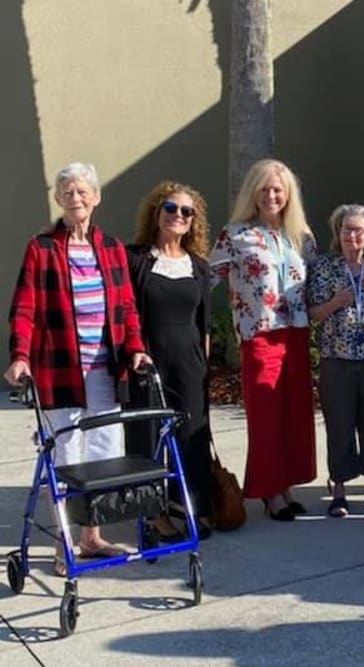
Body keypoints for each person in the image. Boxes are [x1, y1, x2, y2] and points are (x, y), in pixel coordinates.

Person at [5, 162, 152, 574]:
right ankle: (64, 543)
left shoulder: (111, 248)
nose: (76, 198)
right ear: (58, 199)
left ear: (96, 197)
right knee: (66, 455)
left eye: (83, 190)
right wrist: (20, 355)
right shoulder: (42, 248)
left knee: (104, 453)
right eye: (67, 192)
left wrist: (136, 348)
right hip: (59, 371)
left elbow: (126, 307)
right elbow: (25, 309)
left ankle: (92, 537)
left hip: (105, 371)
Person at [209, 158, 317, 521]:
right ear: (253, 193)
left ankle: (286, 485)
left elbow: (315, 284)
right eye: (265, 189)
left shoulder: (301, 236)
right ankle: (269, 492)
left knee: (293, 414)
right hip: (260, 335)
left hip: (297, 334)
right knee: (265, 415)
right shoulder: (236, 235)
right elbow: (207, 278)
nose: (272, 196)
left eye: (278, 190)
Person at [127, 181, 214, 541]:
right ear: (156, 212)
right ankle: (152, 514)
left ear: (194, 221)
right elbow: (125, 312)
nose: (178, 215)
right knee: (146, 439)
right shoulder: (135, 259)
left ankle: (190, 507)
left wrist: (205, 368)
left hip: (190, 362)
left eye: (186, 211)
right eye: (170, 208)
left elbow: (204, 323)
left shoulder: (198, 266)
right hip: (148, 361)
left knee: (192, 436)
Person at [307, 205, 364, 517]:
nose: (352, 235)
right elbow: (312, 314)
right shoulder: (325, 268)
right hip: (337, 358)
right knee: (340, 425)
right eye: (347, 229)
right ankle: (340, 492)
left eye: (359, 229)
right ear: (338, 233)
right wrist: (338, 302)